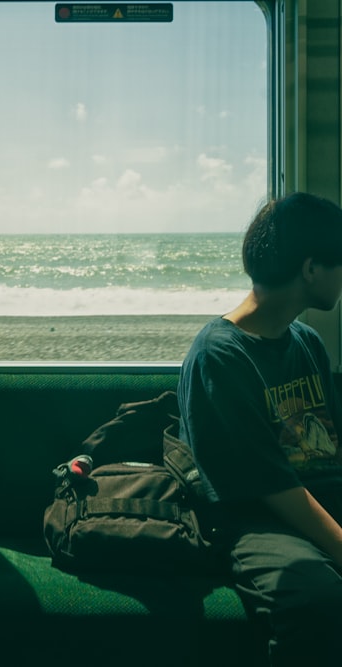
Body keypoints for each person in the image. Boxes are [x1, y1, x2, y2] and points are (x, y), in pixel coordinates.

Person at [178, 192, 342, 666]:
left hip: (317, 498)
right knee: (318, 602)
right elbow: (271, 486)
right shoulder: (220, 356)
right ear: (311, 269)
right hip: (258, 522)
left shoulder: (306, 342)